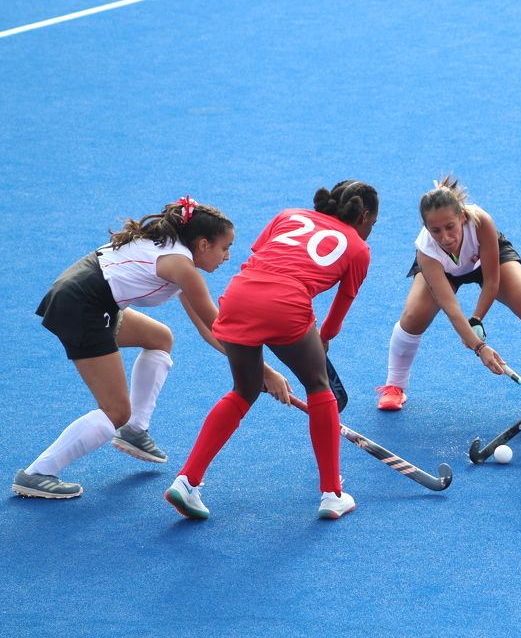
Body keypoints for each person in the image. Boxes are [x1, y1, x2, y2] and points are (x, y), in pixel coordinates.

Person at [12, 197, 289, 499]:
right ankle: (38, 473)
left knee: (159, 337)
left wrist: (257, 370)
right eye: (225, 247)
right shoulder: (184, 269)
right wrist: (265, 372)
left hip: (87, 294)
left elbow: (209, 331)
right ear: (203, 244)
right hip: (84, 305)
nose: (228, 256)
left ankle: (134, 430)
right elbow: (222, 329)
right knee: (115, 410)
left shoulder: (178, 256)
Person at [165, 181, 379, 521]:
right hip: (287, 304)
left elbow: (262, 256)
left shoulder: (288, 214)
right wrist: (322, 339)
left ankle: (187, 480)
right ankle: (332, 494)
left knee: (243, 390)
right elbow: (340, 308)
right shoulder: (358, 249)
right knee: (318, 386)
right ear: (364, 217)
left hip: (239, 295)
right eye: (373, 224)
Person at [375, 176, 521, 411]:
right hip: (444, 270)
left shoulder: (481, 221)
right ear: (426, 228)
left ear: (461, 217)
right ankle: (394, 386)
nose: (445, 237)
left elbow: (492, 281)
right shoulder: (426, 251)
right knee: (413, 317)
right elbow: (451, 308)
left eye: (450, 227)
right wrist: (479, 347)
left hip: (484, 262)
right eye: (435, 230)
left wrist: (476, 319)